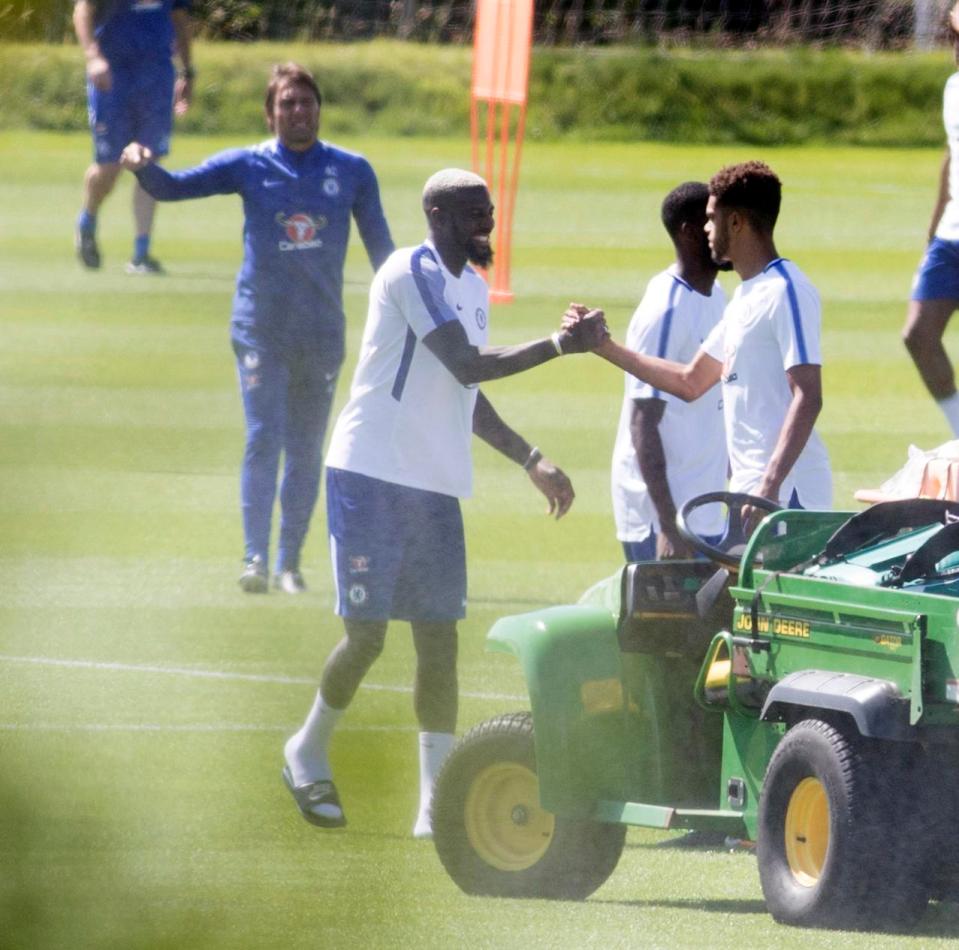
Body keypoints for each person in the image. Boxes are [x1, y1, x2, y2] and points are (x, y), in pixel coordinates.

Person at [281, 168, 608, 838]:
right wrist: (556, 346)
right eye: (471, 214)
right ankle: (306, 749)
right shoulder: (409, 273)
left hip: (431, 485)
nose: (485, 224)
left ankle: (433, 802)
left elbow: (463, 392)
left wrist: (528, 457)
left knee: (438, 644)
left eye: (488, 212)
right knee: (367, 637)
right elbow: (466, 363)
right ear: (434, 214)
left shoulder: (472, 286)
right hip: (370, 473)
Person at [119, 63, 395, 593]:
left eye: (306, 102)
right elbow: (176, 188)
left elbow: (383, 251)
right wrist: (142, 166)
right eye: (287, 104)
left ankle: (290, 563)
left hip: (320, 332)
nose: (298, 112)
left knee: (307, 446)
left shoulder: (352, 170)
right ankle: (254, 560)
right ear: (270, 114)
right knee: (263, 437)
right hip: (260, 329)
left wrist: (416, 294)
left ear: (319, 109)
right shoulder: (249, 165)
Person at [574, 160, 831, 523]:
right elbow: (690, 381)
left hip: (787, 498)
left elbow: (808, 395)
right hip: (753, 494)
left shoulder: (786, 291)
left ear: (736, 222)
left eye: (712, 218)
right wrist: (603, 346)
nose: (706, 228)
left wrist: (769, 486)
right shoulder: (744, 297)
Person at [611, 182, 728, 562]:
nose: (724, 231)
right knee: (665, 624)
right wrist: (666, 524)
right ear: (689, 232)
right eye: (714, 221)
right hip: (662, 517)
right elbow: (642, 423)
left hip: (704, 506)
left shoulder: (719, 296)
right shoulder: (666, 309)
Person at [73, 0, 194, 274]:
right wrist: (93, 57)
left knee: (148, 163)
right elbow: (84, 8)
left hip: (156, 75)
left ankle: (141, 253)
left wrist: (187, 71)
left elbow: (181, 19)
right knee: (109, 167)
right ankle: (88, 219)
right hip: (114, 75)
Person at [903, 2, 959, 437]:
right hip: (951, 238)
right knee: (918, 335)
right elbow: (950, 157)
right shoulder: (953, 89)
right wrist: (934, 223)